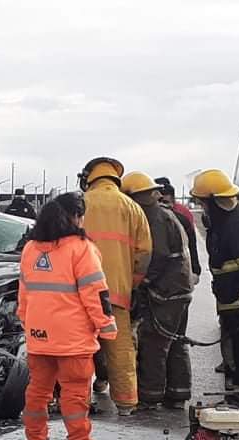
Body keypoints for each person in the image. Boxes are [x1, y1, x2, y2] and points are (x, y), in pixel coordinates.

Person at [17, 193, 116, 440]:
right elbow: (95, 293)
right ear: (75, 217)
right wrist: (106, 325)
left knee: (38, 389)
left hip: (38, 335)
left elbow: (24, 293)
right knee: (75, 391)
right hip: (73, 338)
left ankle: (35, 439)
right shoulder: (81, 248)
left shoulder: (31, 248)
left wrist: (26, 321)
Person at [190, 169, 239, 409]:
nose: (201, 208)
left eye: (203, 203)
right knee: (238, 353)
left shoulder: (236, 225)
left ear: (215, 201)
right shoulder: (229, 218)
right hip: (233, 298)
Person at [79, 157, 153, 416]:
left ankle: (77, 400)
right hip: (117, 292)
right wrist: (131, 283)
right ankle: (126, 403)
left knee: (79, 347)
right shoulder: (132, 207)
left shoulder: (80, 204)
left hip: (80, 292)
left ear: (89, 177)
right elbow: (144, 253)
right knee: (120, 348)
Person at [121, 171, 194, 410]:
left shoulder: (153, 219)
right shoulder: (164, 214)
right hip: (178, 289)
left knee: (154, 343)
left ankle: (150, 397)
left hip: (166, 292)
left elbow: (157, 256)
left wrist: (142, 281)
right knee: (175, 342)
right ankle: (177, 394)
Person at [155, 176, 202, 279]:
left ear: (173, 201)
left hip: (179, 273)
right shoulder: (148, 220)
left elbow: (191, 245)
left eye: (165, 202)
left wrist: (195, 270)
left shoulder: (183, 218)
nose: (162, 206)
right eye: (158, 202)